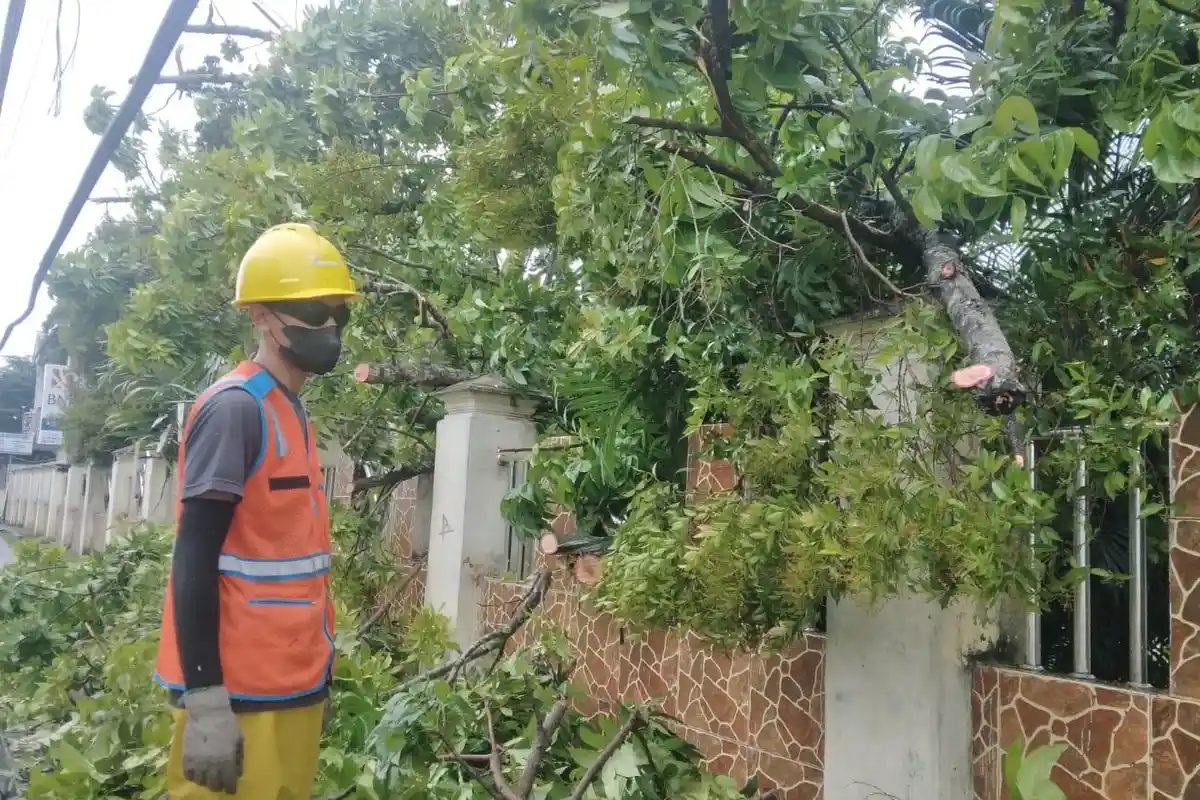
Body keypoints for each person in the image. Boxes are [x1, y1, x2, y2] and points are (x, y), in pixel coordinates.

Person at [153, 223, 358, 798]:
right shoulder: (236, 409)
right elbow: (194, 554)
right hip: (236, 698)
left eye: (339, 314)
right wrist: (205, 700)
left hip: (290, 685)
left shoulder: (288, 410)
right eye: (315, 311)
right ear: (261, 317)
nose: (330, 328)